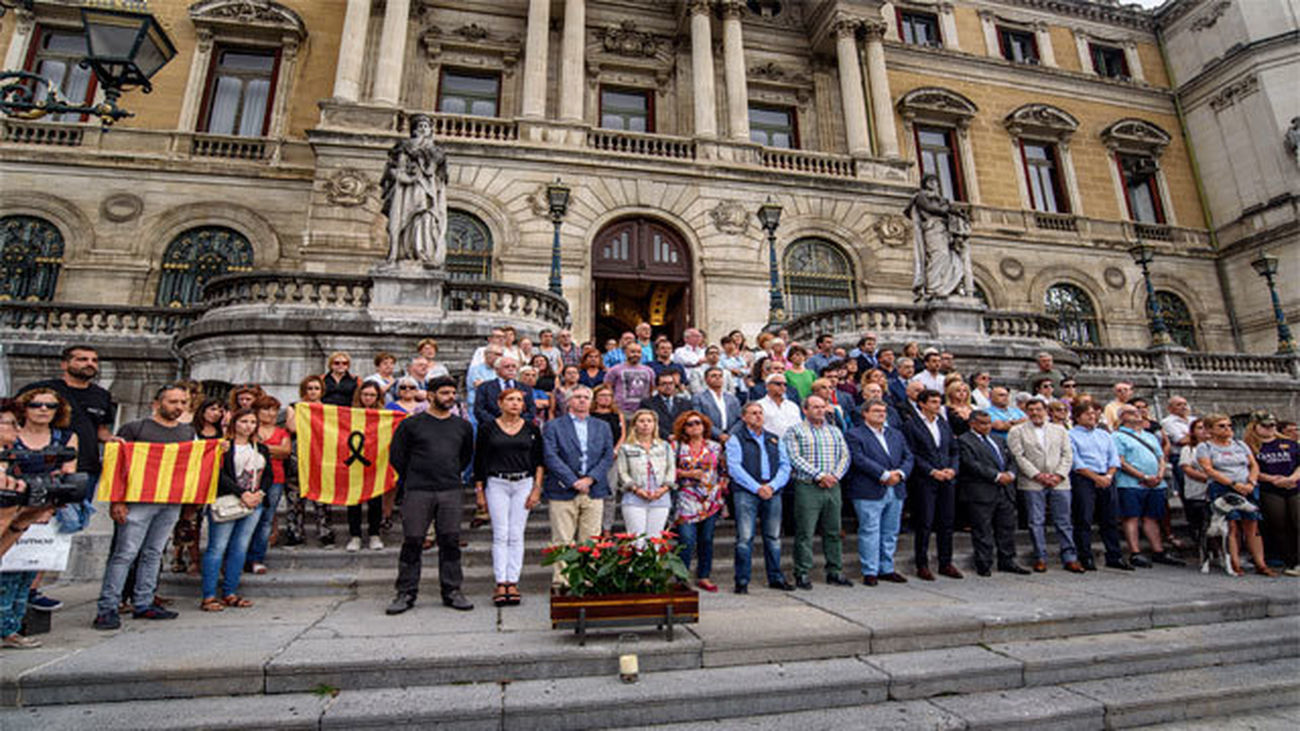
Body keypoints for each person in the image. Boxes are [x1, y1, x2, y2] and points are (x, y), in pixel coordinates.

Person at [93, 385, 195, 629]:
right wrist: (117, 500)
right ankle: (108, 607)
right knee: (125, 554)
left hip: (170, 501)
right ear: (157, 404)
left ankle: (144, 602)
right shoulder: (135, 428)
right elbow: (117, 465)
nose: (178, 407)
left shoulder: (187, 432)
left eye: (183, 402)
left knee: (154, 553)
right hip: (138, 501)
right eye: (173, 402)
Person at [388, 376, 475, 614]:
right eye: (444, 393)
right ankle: (405, 593)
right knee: (413, 541)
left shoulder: (462, 426)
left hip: (450, 490)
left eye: (452, 393)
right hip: (418, 490)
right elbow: (397, 456)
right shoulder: (411, 424)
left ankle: (452, 591)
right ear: (430, 395)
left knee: (450, 541)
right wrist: (414, 477)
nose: (450, 397)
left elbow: (465, 456)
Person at [2, 392, 77, 648]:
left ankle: (11, 628)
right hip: (14, 510)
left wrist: (39, 510)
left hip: (36, 512)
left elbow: (69, 474)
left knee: (26, 575)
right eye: (35, 404)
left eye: (50, 405)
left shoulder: (63, 439)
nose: (43, 409)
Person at [19, 345, 116, 532]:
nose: (90, 364)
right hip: (47, 466)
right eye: (82, 359)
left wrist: (112, 439)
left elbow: (100, 429)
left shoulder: (101, 395)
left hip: (86, 468)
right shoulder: (43, 391)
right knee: (39, 520)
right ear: (65, 364)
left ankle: (57, 562)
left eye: (94, 360)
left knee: (74, 524)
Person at [474, 388, 544, 607]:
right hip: (497, 483)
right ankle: (500, 581)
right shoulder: (487, 429)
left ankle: (513, 580)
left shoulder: (532, 428)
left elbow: (539, 460)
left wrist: (536, 489)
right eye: (511, 400)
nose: (515, 404)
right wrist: (479, 491)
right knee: (500, 533)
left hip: (524, 482)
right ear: (500, 403)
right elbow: (479, 460)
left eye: (519, 400)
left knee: (516, 533)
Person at [542, 386, 615, 586]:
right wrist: (573, 481)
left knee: (590, 540)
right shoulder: (554, 426)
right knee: (562, 540)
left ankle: (587, 580)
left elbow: (607, 456)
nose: (582, 400)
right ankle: (562, 581)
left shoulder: (602, 426)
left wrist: (590, 479)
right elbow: (550, 456)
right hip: (562, 488)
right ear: (568, 401)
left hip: (594, 489)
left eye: (586, 397)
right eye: (577, 397)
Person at [199, 407, 268, 612]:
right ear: (234, 423)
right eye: (244, 421)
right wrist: (242, 493)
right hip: (227, 500)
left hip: (254, 503)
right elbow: (218, 474)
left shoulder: (260, 448)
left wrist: (259, 494)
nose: (248, 426)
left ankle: (230, 591)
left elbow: (268, 474)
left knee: (240, 548)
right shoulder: (223, 446)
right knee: (217, 547)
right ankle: (209, 595)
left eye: (252, 422)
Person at [783, 395, 852, 589]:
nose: (820, 410)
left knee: (833, 531)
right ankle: (802, 572)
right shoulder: (795, 431)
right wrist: (820, 475)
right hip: (808, 486)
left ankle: (835, 571)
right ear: (805, 410)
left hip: (833, 486)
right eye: (815, 407)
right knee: (805, 532)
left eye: (822, 407)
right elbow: (794, 457)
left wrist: (835, 476)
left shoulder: (835, 431)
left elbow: (845, 456)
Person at [844, 399, 914, 585]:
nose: (881, 414)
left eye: (883, 411)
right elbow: (858, 459)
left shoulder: (896, 434)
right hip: (869, 489)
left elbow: (908, 456)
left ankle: (887, 568)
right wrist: (883, 474)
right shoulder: (855, 434)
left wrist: (899, 473)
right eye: (876, 411)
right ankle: (870, 570)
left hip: (896, 488)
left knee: (890, 531)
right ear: (865, 413)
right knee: (870, 530)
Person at [1007, 398, 1082, 573]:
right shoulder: (1017, 431)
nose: (1035, 413)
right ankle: (1040, 557)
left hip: (1060, 481)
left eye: (1038, 409)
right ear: (1026, 412)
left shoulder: (1059, 430)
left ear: (1046, 410)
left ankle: (1070, 557)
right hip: (1032, 481)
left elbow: (1067, 455)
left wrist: (1058, 475)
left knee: (1063, 520)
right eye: (1031, 410)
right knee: (1036, 521)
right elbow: (1018, 457)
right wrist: (1038, 475)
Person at [726, 402, 793, 593]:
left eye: (760, 413)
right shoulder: (736, 439)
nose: (758, 416)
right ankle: (742, 580)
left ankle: (776, 577)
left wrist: (772, 486)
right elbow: (734, 467)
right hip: (747, 492)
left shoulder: (774, 439)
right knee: (745, 538)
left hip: (772, 491)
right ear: (744, 417)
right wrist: (757, 488)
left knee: (773, 537)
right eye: (753, 413)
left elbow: (785, 465)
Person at [1197, 413, 1273, 577]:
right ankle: (1234, 563)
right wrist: (1232, 484)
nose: (1227, 429)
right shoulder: (1205, 447)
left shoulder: (1240, 444)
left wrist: (1251, 482)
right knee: (1231, 526)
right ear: (1210, 429)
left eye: (1229, 426)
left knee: (1253, 524)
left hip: (1247, 487)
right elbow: (1209, 469)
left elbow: (1253, 465)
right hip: (1223, 488)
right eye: (1222, 426)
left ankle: (1261, 563)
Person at [957, 410, 1029, 576]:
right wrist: (996, 476)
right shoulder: (965, 440)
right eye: (982, 423)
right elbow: (971, 464)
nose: (987, 426)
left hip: (1005, 490)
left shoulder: (997, 439)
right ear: (972, 423)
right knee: (983, 529)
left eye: (989, 423)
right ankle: (984, 563)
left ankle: (1007, 560)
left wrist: (1011, 474)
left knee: (1006, 528)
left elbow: (1011, 459)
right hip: (981, 490)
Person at [1114, 405, 1183, 569]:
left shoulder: (1150, 436)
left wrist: (1159, 474)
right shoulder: (1117, 436)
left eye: (1139, 412)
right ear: (1123, 417)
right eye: (1132, 412)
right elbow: (1121, 461)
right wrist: (1143, 476)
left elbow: (1160, 457)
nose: (1138, 415)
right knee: (1131, 516)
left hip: (1155, 483)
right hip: (1130, 483)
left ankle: (1158, 550)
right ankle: (1135, 552)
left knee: (1152, 517)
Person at [902, 389, 962, 580]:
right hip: (924, 480)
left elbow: (954, 450)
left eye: (939, 402)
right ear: (922, 404)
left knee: (946, 522)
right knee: (925, 523)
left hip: (947, 479)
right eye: (934, 402)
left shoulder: (943, 424)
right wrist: (931, 471)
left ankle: (946, 562)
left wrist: (952, 469)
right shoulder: (912, 425)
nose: (938, 405)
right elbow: (912, 453)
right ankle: (922, 564)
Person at [1068, 402, 1127, 571]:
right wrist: (1095, 477)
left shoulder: (1104, 434)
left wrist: (1108, 475)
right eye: (1087, 414)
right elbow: (1075, 461)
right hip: (1084, 478)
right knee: (1084, 518)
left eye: (1094, 414)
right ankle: (1085, 556)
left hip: (1106, 477)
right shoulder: (1071, 435)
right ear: (1077, 417)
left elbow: (1113, 457)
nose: (1092, 417)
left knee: (1110, 519)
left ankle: (1114, 555)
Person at [672, 411, 726, 592]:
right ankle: (681, 577)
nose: (695, 426)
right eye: (690, 424)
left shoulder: (715, 447)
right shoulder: (676, 446)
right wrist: (687, 474)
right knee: (686, 539)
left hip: (710, 499)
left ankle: (704, 575)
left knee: (706, 539)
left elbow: (723, 470)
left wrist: (720, 488)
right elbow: (667, 470)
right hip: (685, 499)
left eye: (698, 423)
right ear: (684, 428)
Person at [171, 398, 225, 574]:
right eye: (212, 409)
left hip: (212, 480)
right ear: (202, 411)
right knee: (187, 519)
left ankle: (191, 558)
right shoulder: (189, 431)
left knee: (195, 520)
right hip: (191, 480)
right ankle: (182, 556)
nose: (216, 413)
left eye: (219, 410)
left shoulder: (222, 432)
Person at [283, 374, 334, 548]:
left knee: (322, 498)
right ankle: (294, 533)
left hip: (320, 455)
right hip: (298, 455)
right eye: (309, 388)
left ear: (322, 391)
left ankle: (325, 532)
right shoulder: (294, 407)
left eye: (316, 388)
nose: (313, 392)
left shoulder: (328, 409)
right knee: (295, 497)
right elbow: (292, 427)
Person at [246, 395, 291, 573]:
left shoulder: (282, 432)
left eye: (273, 409)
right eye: (266, 409)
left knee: (266, 520)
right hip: (251, 478)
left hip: (275, 478)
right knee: (249, 519)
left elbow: (286, 451)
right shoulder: (250, 429)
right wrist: (274, 450)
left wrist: (263, 448)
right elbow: (248, 447)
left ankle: (256, 558)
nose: (270, 413)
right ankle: (241, 556)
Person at [616, 410, 676, 543]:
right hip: (634, 497)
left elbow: (671, 469)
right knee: (636, 540)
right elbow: (622, 472)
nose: (646, 424)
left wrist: (664, 488)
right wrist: (636, 489)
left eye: (649, 421)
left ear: (655, 425)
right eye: (642, 421)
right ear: (635, 425)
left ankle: (653, 564)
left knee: (655, 540)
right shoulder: (626, 447)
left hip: (660, 497)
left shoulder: (664, 446)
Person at [1251, 414, 1300, 576]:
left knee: (1297, 521)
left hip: (1294, 485)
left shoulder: (1289, 443)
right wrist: (1272, 479)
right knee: (1279, 524)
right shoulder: (1251, 446)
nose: (1270, 428)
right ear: (1255, 426)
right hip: (1270, 487)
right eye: (1265, 426)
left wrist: (1292, 478)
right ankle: (1289, 560)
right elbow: (1251, 470)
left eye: (1272, 425)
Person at [344, 383, 386, 552]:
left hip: (376, 463)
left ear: (378, 397)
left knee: (375, 500)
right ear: (359, 396)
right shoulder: (349, 415)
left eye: (372, 395)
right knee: (353, 500)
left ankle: (374, 534)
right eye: (365, 394)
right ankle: (355, 536)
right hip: (354, 463)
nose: (368, 398)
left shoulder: (384, 415)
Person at [474, 356, 537, 427]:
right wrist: (499, 423)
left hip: (519, 429)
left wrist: (517, 423)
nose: (511, 369)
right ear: (497, 370)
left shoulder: (525, 388)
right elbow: (479, 410)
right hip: (492, 429)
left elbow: (531, 410)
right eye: (507, 367)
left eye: (514, 366)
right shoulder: (484, 387)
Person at [1180, 419, 1211, 562]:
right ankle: (1204, 554)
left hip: (1216, 492)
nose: (1204, 431)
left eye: (1207, 428)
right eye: (1200, 428)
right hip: (1197, 492)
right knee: (1200, 524)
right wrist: (1209, 478)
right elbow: (1187, 468)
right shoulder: (1189, 449)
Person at [605, 342, 657, 414]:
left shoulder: (649, 371)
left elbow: (652, 389)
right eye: (632, 352)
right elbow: (607, 386)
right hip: (621, 410)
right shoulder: (615, 369)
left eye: (638, 352)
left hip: (643, 410)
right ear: (625, 353)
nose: (636, 354)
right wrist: (613, 403)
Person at [692, 366, 741, 442]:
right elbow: (700, 418)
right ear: (706, 380)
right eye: (713, 376)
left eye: (720, 376)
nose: (717, 378)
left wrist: (730, 434)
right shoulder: (699, 397)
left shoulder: (732, 398)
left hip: (731, 437)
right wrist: (718, 434)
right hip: (709, 438)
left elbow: (739, 419)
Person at [639, 372, 692, 441]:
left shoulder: (685, 403)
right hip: (658, 440)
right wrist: (667, 436)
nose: (668, 386)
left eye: (671, 383)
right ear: (657, 387)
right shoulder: (648, 404)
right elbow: (649, 424)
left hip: (682, 440)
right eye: (664, 384)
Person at [757, 373, 802, 439]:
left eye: (785, 384)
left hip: (792, 443)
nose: (782, 387)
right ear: (767, 386)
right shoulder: (759, 405)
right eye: (778, 384)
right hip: (770, 443)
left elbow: (799, 426)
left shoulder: (793, 406)